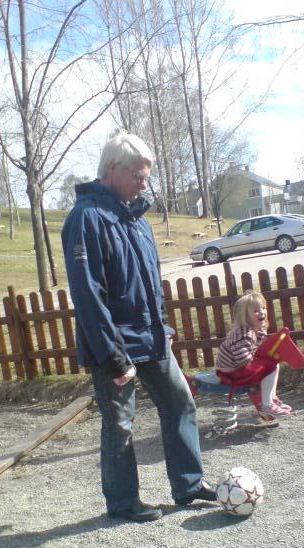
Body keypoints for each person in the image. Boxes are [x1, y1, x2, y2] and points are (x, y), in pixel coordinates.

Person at [61, 131, 216, 522]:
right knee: (120, 424)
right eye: (139, 175)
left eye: (147, 176)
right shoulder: (86, 219)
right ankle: (123, 502)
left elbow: (150, 284)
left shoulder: (139, 222)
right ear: (112, 169)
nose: (145, 184)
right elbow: (88, 296)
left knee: (181, 402)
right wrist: (113, 359)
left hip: (152, 339)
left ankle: (189, 484)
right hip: (114, 347)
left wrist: (162, 328)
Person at [215, 291, 293, 419]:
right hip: (229, 373)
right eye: (256, 310)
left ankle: (271, 400)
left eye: (263, 308)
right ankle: (267, 405)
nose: (262, 312)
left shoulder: (254, 331)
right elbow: (243, 359)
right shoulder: (244, 334)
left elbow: (255, 351)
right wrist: (260, 364)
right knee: (270, 367)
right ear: (245, 317)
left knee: (272, 364)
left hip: (234, 369)